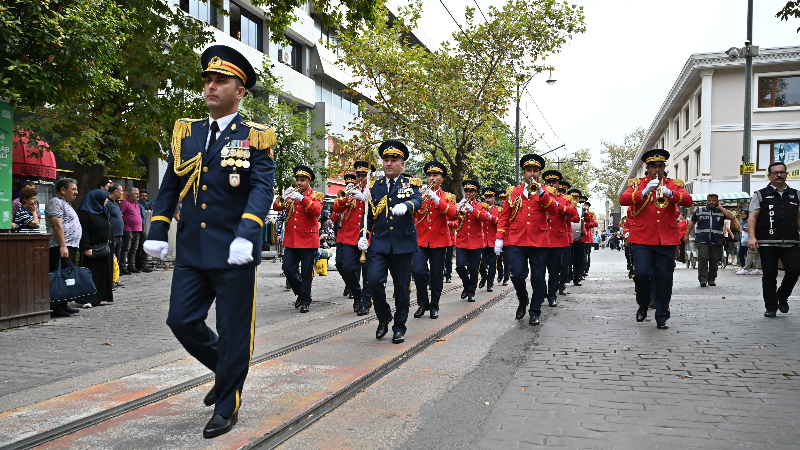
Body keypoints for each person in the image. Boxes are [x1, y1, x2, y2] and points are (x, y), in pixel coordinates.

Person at [143, 44, 276, 438]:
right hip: (193, 250)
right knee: (180, 319)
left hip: (235, 251)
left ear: (241, 91)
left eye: (221, 80)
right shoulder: (189, 131)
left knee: (234, 331)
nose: (211, 86)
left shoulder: (256, 136)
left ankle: (227, 403)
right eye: (208, 79)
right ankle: (227, 370)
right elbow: (171, 184)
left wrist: (247, 234)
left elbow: (261, 189)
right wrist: (157, 229)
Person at [620, 149, 692, 329]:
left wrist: (670, 193)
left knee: (664, 278)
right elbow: (623, 199)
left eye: (660, 166)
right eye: (653, 166)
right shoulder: (637, 184)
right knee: (642, 274)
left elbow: (688, 201)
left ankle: (662, 315)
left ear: (664, 167)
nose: (657, 170)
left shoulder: (674, 184)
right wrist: (644, 192)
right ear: (647, 167)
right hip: (642, 238)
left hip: (666, 239)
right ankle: (643, 304)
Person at [358, 140, 422, 344]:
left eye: (393, 160)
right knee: (374, 281)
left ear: (402, 165)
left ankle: (399, 326)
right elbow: (368, 214)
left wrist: (408, 206)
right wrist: (363, 234)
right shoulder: (375, 186)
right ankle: (384, 316)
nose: (388, 163)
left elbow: (418, 200)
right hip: (379, 243)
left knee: (402, 288)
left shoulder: (410, 184)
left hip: (403, 243)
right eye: (386, 160)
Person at [495, 153, 559, 325]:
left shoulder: (546, 191)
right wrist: (499, 238)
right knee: (516, 275)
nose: (532, 174)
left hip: (539, 241)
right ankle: (523, 299)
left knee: (538, 278)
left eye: (535, 171)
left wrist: (540, 192)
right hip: (517, 240)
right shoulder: (514, 192)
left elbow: (553, 211)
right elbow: (504, 216)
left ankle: (534, 311)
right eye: (529, 171)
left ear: (539, 173)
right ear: (524, 173)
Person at [747, 161, 800, 318]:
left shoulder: (796, 194)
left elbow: (798, 218)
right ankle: (771, 306)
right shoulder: (760, 194)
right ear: (769, 175)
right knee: (769, 275)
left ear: (786, 174)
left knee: (794, 270)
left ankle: (782, 296)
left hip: (791, 242)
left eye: (782, 172)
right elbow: (752, 217)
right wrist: (752, 237)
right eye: (775, 173)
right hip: (767, 242)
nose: (779, 175)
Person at [273, 165, 323, 313]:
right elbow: (277, 207)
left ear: (309, 182)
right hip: (292, 241)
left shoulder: (315, 196)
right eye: (297, 180)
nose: (299, 183)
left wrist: (302, 199)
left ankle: (305, 301)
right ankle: (301, 293)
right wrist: (285, 195)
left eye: (302, 180)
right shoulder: (292, 196)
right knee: (287, 269)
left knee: (307, 273)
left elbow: (316, 210)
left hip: (308, 241)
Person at [412, 161, 457, 319]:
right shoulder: (420, 195)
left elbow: (453, 214)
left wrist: (437, 200)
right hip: (421, 239)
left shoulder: (447, 197)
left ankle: (434, 305)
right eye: (429, 175)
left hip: (439, 240)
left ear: (441, 179)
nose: (431, 178)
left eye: (435, 175)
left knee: (437, 274)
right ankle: (423, 302)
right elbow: (414, 214)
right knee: (417, 271)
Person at [332, 162, 373, 315]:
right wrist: (345, 196)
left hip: (368, 236)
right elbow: (337, 210)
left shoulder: (375, 190)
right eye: (359, 175)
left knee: (368, 272)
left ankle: (366, 302)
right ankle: (357, 294)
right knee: (347, 267)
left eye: (363, 175)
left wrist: (365, 198)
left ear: (370, 176)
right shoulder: (351, 190)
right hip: (350, 237)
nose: (360, 178)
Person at [46, 177, 83, 317]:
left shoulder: (66, 203)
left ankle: (63, 304)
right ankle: (55, 307)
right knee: (58, 276)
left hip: (70, 246)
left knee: (67, 277)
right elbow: (56, 225)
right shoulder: (56, 202)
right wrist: (62, 246)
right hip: (59, 246)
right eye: (73, 189)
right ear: (63, 190)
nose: (76, 192)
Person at [542, 170, 578, 307]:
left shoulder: (565, 199)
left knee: (554, 270)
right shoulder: (538, 195)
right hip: (541, 238)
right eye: (548, 182)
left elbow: (573, 214)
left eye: (554, 182)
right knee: (539, 271)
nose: (551, 184)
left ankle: (552, 295)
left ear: (558, 184)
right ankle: (541, 293)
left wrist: (557, 205)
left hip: (557, 239)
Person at [682, 194, 734, 287]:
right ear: (707, 201)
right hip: (702, 239)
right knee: (703, 258)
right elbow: (692, 223)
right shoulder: (699, 211)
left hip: (716, 240)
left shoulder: (721, 212)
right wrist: (686, 235)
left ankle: (712, 279)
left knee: (714, 260)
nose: (711, 202)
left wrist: (721, 209)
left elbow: (732, 217)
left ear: (717, 201)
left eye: (713, 200)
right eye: (709, 200)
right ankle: (703, 279)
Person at [454, 179, 492, 303]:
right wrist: (457, 209)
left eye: (471, 191)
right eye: (466, 191)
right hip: (462, 241)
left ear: (476, 193)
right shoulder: (460, 204)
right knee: (460, 266)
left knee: (474, 268)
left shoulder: (481, 205)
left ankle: (471, 291)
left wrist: (472, 210)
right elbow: (452, 217)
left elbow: (486, 218)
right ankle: (467, 285)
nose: (468, 193)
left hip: (476, 241)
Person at [77, 189, 114, 308]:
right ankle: (88, 298)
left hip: (105, 248)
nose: (107, 200)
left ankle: (102, 296)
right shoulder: (85, 212)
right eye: (105, 198)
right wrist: (86, 247)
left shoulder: (103, 211)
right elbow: (83, 231)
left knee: (104, 273)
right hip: (92, 248)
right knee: (91, 274)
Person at [478, 186, 501, 292]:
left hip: (492, 240)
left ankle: (490, 283)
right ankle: (483, 276)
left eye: (490, 197)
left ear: (494, 198)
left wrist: (491, 217)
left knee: (492, 263)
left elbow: (501, 222)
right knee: (481, 263)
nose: (487, 199)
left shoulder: (498, 210)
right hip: (482, 240)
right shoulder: (480, 208)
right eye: (486, 197)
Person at [119, 187, 143, 275]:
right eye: (136, 193)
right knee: (126, 248)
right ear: (130, 194)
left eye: (138, 193)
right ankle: (123, 267)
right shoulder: (125, 203)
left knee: (134, 249)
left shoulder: (137, 204)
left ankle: (131, 266)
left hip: (137, 229)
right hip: (128, 229)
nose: (138, 195)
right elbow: (119, 214)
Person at [106, 184, 125, 283]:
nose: (122, 193)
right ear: (115, 192)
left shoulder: (116, 203)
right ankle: (109, 279)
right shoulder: (107, 202)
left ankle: (114, 277)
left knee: (116, 256)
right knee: (111, 256)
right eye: (121, 190)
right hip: (112, 235)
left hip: (119, 234)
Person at [135, 189, 156, 272]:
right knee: (141, 247)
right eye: (142, 195)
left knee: (140, 247)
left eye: (145, 196)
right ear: (139, 196)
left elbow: (148, 204)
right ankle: (141, 265)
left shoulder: (142, 204)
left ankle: (140, 265)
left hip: (140, 227)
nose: (144, 197)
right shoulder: (137, 204)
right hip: (137, 228)